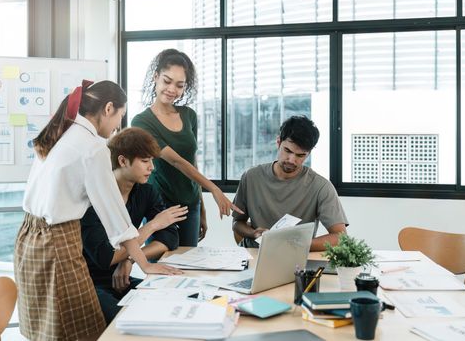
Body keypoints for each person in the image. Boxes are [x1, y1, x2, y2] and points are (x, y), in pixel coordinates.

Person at [15, 80, 181, 341]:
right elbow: (114, 213)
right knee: (77, 328)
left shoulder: (61, 133)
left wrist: (134, 259)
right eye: (119, 117)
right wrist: (145, 263)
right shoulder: (92, 147)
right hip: (58, 241)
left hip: (30, 238)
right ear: (108, 108)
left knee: (48, 327)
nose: (117, 126)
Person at [132, 48, 243, 247]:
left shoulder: (188, 115)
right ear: (156, 77)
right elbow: (176, 161)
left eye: (179, 85)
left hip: (190, 203)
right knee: (162, 265)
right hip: (160, 205)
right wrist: (215, 189)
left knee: (189, 263)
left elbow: (192, 161)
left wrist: (201, 208)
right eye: (167, 81)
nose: (172, 89)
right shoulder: (142, 122)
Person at [80, 127, 188, 325]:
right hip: (90, 283)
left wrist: (128, 259)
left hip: (123, 278)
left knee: (176, 300)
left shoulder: (145, 192)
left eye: (152, 161)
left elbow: (170, 239)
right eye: (145, 161)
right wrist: (153, 225)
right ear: (122, 161)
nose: (152, 168)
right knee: (125, 322)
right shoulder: (93, 198)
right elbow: (106, 258)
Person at [232, 115, 348, 251]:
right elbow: (237, 223)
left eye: (300, 155)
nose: (292, 160)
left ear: (308, 154)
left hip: (295, 258)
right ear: (278, 142)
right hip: (254, 253)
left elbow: (340, 237)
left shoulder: (320, 187)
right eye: (287, 151)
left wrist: (298, 244)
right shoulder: (251, 177)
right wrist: (254, 233)